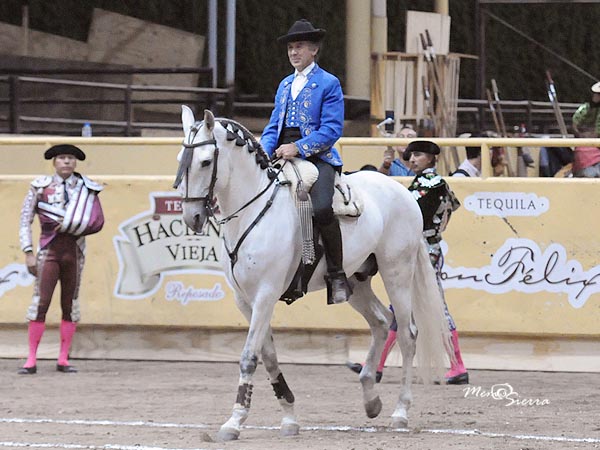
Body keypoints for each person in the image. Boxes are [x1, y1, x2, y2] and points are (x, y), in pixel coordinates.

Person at [348, 141, 469, 385]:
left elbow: (410, 211)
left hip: (423, 250)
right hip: (426, 247)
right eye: (411, 155)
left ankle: (458, 366)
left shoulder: (429, 184)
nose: (413, 159)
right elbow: (452, 207)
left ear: (432, 158)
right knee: (400, 306)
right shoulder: (431, 184)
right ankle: (378, 364)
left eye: (419, 155)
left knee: (432, 305)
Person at [260, 19, 352, 304]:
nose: (293, 52)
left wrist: (298, 148)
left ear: (314, 49)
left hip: (318, 156)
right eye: (290, 47)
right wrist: (263, 150)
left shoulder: (329, 83)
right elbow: (274, 125)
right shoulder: (285, 85)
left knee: (322, 207)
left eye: (299, 46)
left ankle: (336, 273)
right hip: (280, 152)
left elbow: (332, 129)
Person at [18, 144, 104, 374]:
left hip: (75, 252)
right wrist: (28, 251)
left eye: (70, 158)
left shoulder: (87, 188)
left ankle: (63, 358)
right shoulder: (40, 187)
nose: (66, 162)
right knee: (41, 303)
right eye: (62, 158)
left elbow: (95, 221)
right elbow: (25, 220)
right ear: (54, 162)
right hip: (48, 251)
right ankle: (31, 359)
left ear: (75, 163)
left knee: (70, 303)